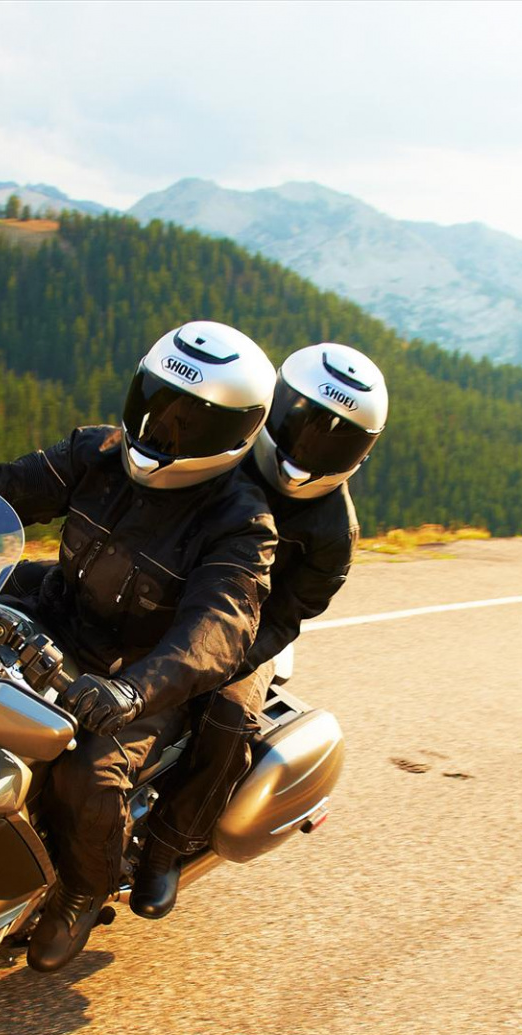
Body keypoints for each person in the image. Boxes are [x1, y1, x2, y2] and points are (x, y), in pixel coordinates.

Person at [0, 320, 280, 972]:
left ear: (233, 434)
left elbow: (218, 630)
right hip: (59, 616)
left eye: (188, 423)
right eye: (152, 403)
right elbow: (1, 488)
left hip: (141, 673)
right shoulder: (97, 452)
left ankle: (79, 890)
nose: (160, 430)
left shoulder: (240, 521)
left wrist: (135, 690)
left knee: (85, 773)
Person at [130, 342, 390, 920]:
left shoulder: (332, 534)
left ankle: (165, 850)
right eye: (300, 424)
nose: (308, 448)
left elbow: (286, 618)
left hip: (247, 635)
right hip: (166, 587)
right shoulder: (224, 450)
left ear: (359, 453)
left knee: (227, 715)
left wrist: (222, 657)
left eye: (334, 440)